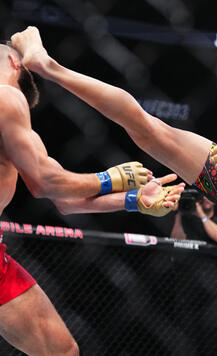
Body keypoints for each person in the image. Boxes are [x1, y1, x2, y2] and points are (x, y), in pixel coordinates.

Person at [13, 26, 217, 356]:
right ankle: (48, 66)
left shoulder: (9, 103)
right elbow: (56, 194)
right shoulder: (10, 108)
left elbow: (51, 189)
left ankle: (48, 66)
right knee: (150, 130)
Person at [0, 34, 185, 356]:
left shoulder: (17, 126)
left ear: (12, 63)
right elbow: (45, 182)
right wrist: (110, 178)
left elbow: (64, 198)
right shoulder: (6, 95)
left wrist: (132, 199)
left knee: (60, 350)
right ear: (17, 63)